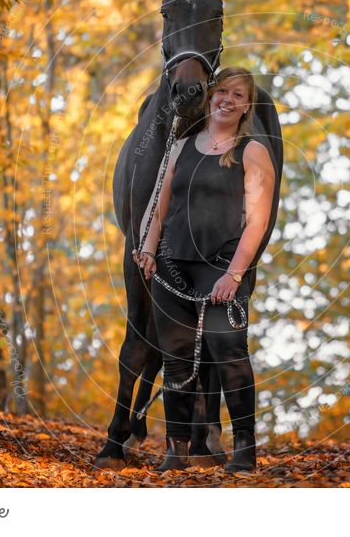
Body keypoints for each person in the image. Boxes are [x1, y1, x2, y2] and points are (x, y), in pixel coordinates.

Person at [133, 66, 275, 473]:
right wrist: (147, 248)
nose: (228, 100)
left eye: (238, 95)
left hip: (221, 271)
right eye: (223, 92)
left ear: (246, 106)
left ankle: (245, 449)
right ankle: (175, 451)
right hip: (172, 269)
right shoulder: (181, 147)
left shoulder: (252, 151)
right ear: (211, 95)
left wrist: (233, 275)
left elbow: (257, 222)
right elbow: (159, 209)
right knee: (176, 359)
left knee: (229, 354)